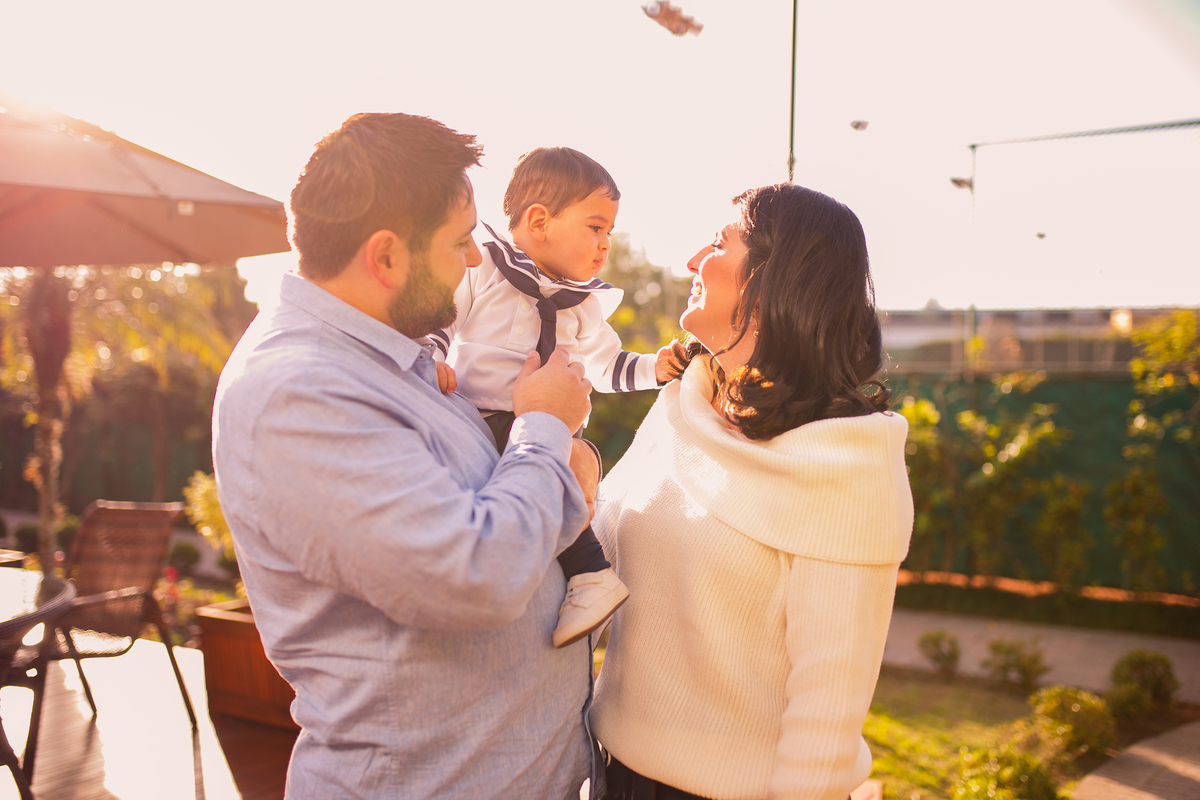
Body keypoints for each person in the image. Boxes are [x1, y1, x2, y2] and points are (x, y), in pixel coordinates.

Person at [212, 113, 605, 800]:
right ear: (387, 257)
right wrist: (543, 426)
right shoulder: (298, 391)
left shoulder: (397, 354)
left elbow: (505, 516)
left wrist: (560, 463)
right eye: (459, 241)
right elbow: (476, 575)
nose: (477, 259)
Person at [589, 183, 914, 800]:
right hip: (612, 773)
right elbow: (591, 560)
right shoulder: (682, 404)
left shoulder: (850, 463)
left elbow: (825, 720)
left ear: (774, 281)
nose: (692, 261)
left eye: (718, 244)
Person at [430, 146, 672, 647]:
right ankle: (581, 579)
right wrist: (431, 358)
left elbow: (608, 366)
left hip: (552, 425)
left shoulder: (583, 305)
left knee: (560, 480)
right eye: (595, 227)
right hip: (479, 418)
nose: (605, 245)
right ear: (539, 221)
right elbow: (441, 320)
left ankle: (590, 576)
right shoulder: (486, 268)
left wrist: (657, 368)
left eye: (609, 232)